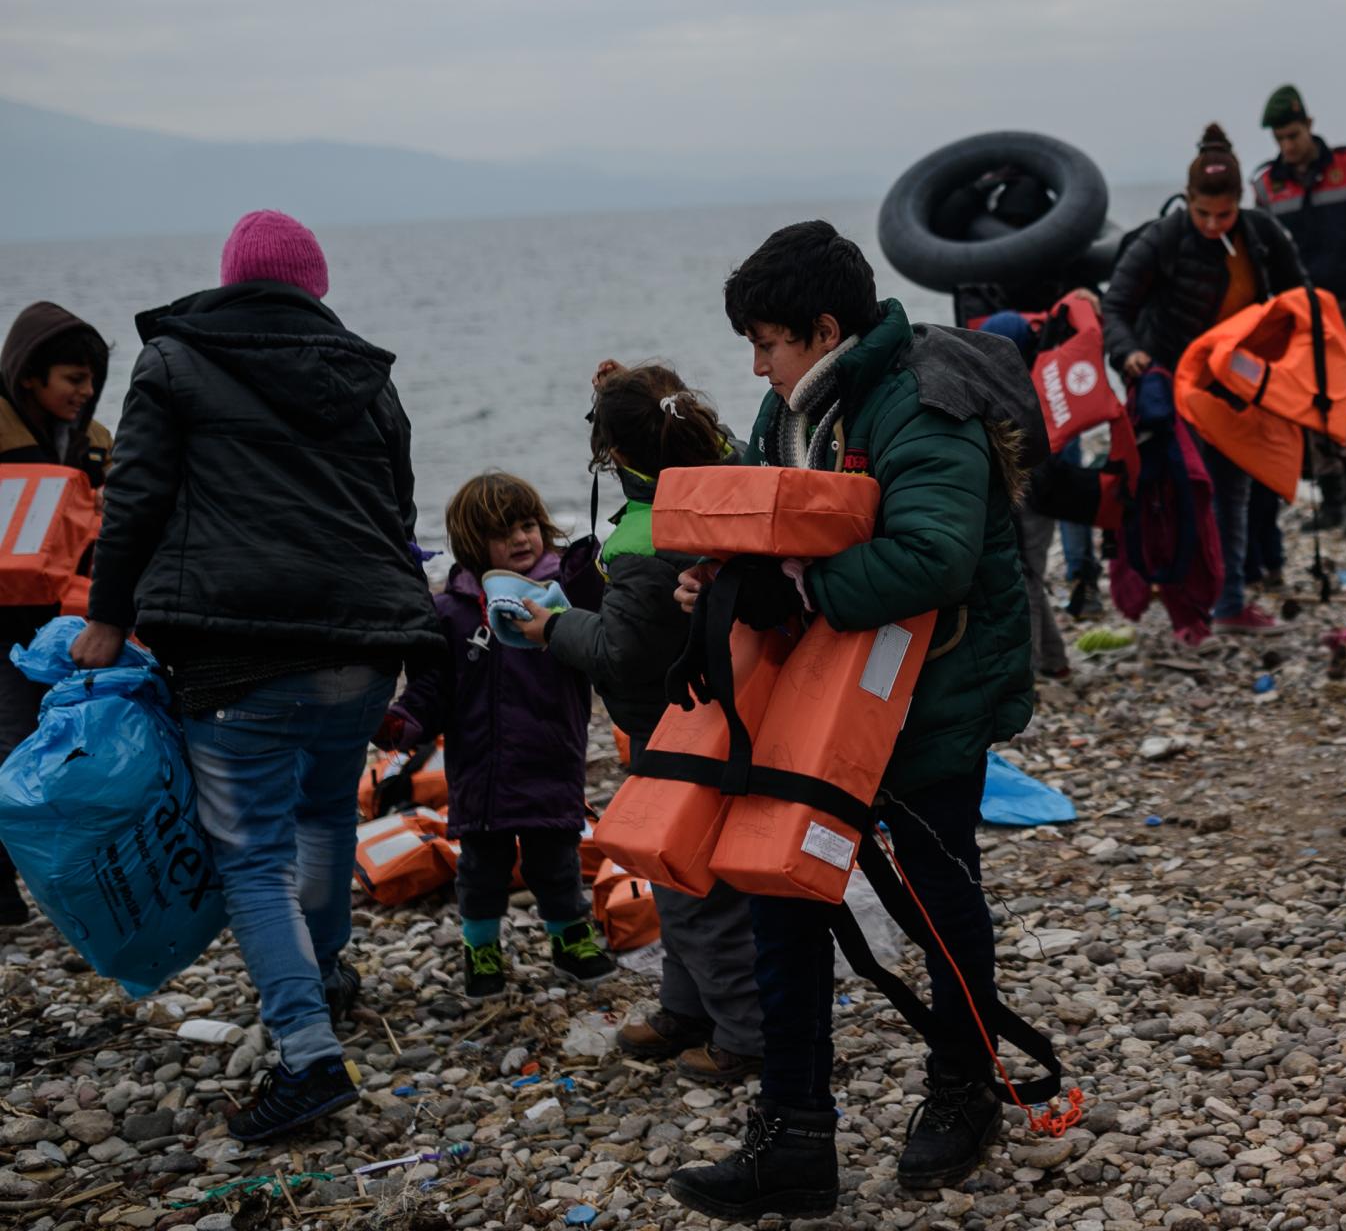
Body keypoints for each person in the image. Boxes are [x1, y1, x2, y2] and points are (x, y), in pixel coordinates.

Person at [665, 220, 1036, 1220]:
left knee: (934, 901)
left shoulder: (925, 400)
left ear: (825, 327)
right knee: (778, 896)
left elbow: (933, 556)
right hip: (811, 702)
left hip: (929, 701)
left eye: (767, 340)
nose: (754, 362)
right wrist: (718, 572)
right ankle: (793, 1139)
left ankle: (965, 1087)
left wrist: (801, 593)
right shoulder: (790, 404)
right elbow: (763, 522)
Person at [70, 210, 442, 1143]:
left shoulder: (174, 361)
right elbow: (395, 510)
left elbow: (139, 498)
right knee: (323, 817)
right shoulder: (368, 378)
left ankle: (309, 1054)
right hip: (362, 645)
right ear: (314, 290)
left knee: (254, 855)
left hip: (239, 649)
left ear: (231, 281)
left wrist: (108, 618)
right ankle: (320, 977)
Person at [518, 363, 764, 1074]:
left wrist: (552, 628)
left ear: (617, 456)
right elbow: (664, 420)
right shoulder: (731, 472)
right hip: (734, 715)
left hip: (677, 730)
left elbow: (620, 651)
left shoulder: (644, 543)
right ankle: (686, 1010)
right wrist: (621, 391)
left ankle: (747, 1037)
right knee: (675, 873)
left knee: (692, 886)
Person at [381, 472, 615, 998]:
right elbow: (432, 688)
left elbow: (602, 617)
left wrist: (587, 563)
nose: (521, 538)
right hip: (480, 769)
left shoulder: (562, 595)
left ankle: (571, 940)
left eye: (528, 525)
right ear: (470, 545)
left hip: (551, 760)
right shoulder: (453, 612)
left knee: (555, 863)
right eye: (502, 532)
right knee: (481, 871)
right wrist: (405, 722)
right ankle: (481, 949)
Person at [1100, 124, 1309, 636]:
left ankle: (1230, 602)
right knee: (1185, 496)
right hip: (1173, 388)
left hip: (1237, 389)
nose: (1214, 224)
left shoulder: (1260, 235)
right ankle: (1186, 603)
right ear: (1188, 200)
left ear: (1240, 202)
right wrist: (1130, 354)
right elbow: (1115, 307)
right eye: (1203, 214)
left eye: (1225, 214)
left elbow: (1299, 300)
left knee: (1234, 493)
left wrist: (1294, 374)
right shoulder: (1164, 237)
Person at [0, 302, 113, 925]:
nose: (87, 391)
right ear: (29, 379)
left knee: (80, 755)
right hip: (4, 631)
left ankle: (78, 884)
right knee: (12, 749)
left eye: (92, 379)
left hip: (74, 632)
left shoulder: (96, 443)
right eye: (73, 378)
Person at [1252, 85, 1346, 534]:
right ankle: (1330, 500)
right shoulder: (1265, 186)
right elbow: (1264, 255)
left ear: (1309, 125)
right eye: (1279, 139)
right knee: (1309, 402)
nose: (1287, 146)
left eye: (1292, 135)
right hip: (1300, 311)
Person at [972, 310, 1073, 680]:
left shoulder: (998, 392)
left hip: (1030, 497)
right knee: (1030, 574)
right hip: (1045, 496)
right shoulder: (1040, 383)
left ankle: (1024, 673)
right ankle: (1053, 659)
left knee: (1025, 577)